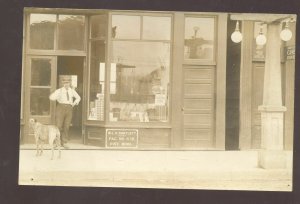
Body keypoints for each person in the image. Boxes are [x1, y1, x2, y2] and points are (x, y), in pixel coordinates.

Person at [49, 80, 81, 148]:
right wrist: (56, 96)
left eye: (68, 83)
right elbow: (51, 97)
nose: (66, 84)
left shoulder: (72, 90)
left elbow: (78, 97)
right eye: (65, 83)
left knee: (66, 125)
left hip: (69, 108)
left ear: (69, 83)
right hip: (60, 108)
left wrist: (74, 103)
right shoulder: (59, 90)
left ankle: (64, 142)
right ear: (63, 84)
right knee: (58, 126)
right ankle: (56, 143)